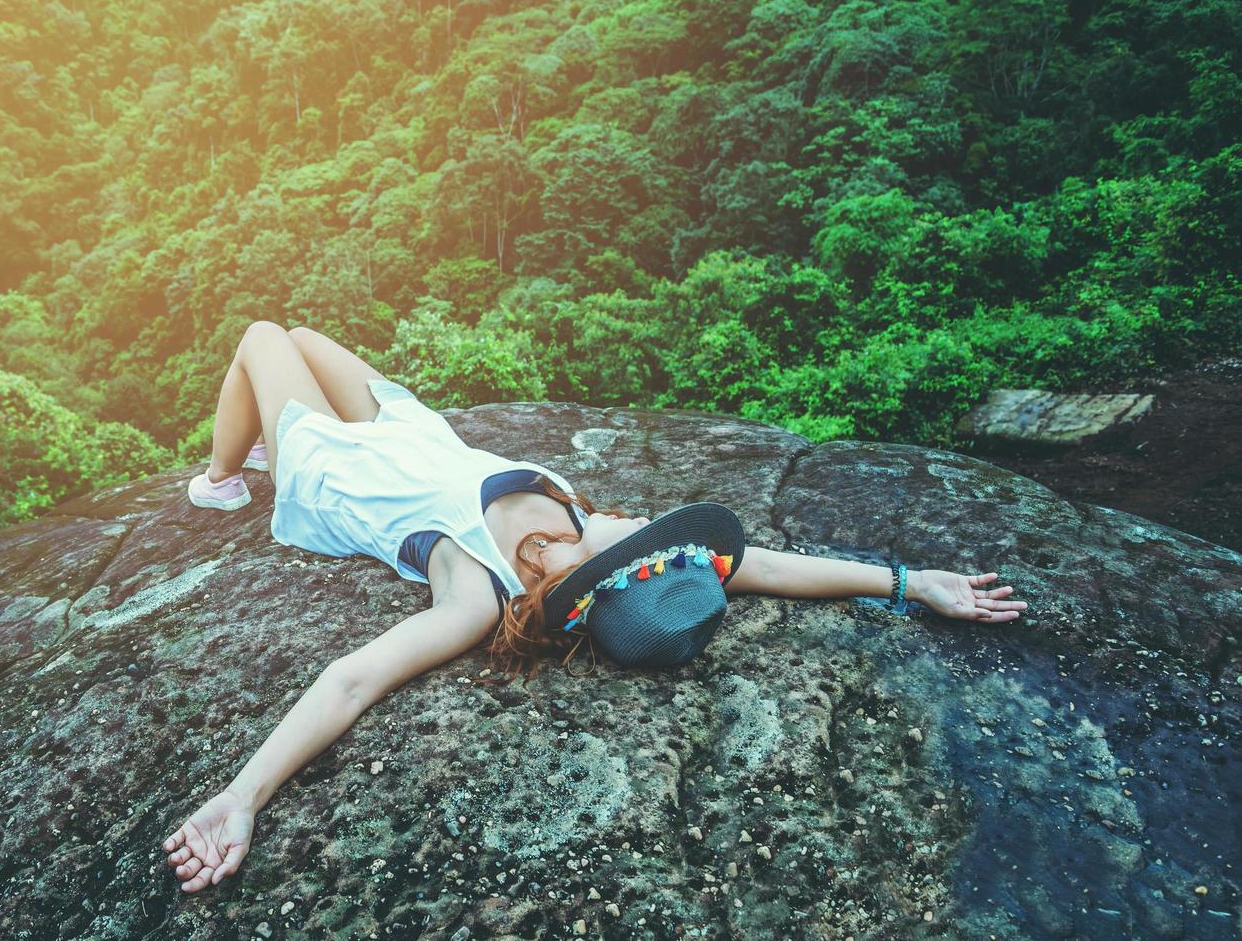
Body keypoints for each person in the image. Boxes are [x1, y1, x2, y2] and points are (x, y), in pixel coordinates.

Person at [162, 321, 1026, 893]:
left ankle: (218, 481)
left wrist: (242, 796)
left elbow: (352, 681)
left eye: (637, 557)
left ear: (588, 581)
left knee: (264, 335)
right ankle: (234, 462)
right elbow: (752, 564)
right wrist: (911, 584)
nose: (640, 542)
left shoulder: (473, 591)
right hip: (417, 439)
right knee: (311, 334)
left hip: (340, 473)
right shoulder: (596, 534)